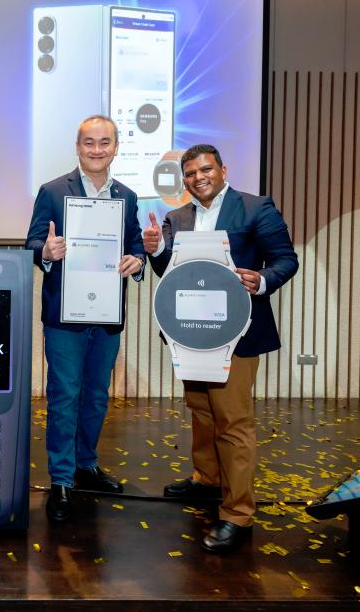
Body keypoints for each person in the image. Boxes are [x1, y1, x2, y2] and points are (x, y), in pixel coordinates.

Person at [144, 143, 298, 554]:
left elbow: (286, 259)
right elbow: (170, 272)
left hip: (239, 335)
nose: (199, 178)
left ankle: (238, 514)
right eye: (191, 173)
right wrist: (157, 248)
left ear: (223, 170)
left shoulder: (255, 208)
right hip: (193, 334)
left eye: (206, 169)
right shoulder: (178, 218)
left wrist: (261, 280)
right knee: (201, 410)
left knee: (232, 422)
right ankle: (206, 481)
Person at [25, 115, 146, 523]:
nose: (97, 150)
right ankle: (61, 478)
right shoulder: (53, 191)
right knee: (64, 396)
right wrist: (47, 251)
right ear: (77, 147)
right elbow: (32, 244)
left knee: (96, 395)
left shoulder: (128, 197)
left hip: (107, 314)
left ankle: (85, 465)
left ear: (116, 147)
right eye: (89, 143)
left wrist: (138, 259)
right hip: (65, 316)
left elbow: (134, 246)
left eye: (104, 142)